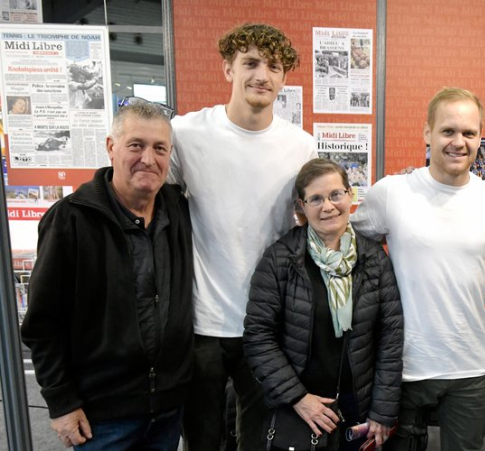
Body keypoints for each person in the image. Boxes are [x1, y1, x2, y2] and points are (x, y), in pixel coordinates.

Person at [168, 23, 317, 450]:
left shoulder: (301, 145)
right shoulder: (187, 134)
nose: (262, 75)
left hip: (267, 323)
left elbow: (310, 226)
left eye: (274, 67)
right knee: (203, 441)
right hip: (202, 323)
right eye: (250, 63)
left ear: (284, 78)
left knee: (259, 440)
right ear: (228, 69)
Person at [20, 101, 193, 450]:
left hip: (167, 411)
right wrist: (61, 402)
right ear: (111, 148)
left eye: (159, 148)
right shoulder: (71, 220)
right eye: (136, 145)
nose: (148, 158)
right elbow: (43, 323)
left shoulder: (177, 211)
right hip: (103, 418)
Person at [351, 87, 485, 451]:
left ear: (480, 137)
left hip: (470, 366)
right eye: (448, 131)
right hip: (401, 364)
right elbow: (351, 247)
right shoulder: (392, 192)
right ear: (427, 133)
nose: (459, 142)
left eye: (469, 133)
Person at [243, 158, 404, 450]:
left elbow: (390, 339)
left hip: (359, 409)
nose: (328, 206)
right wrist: (298, 399)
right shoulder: (280, 259)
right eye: (315, 198)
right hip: (300, 411)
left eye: (335, 195)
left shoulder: (374, 260)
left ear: (350, 196)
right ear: (301, 207)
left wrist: (382, 411)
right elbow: (258, 336)